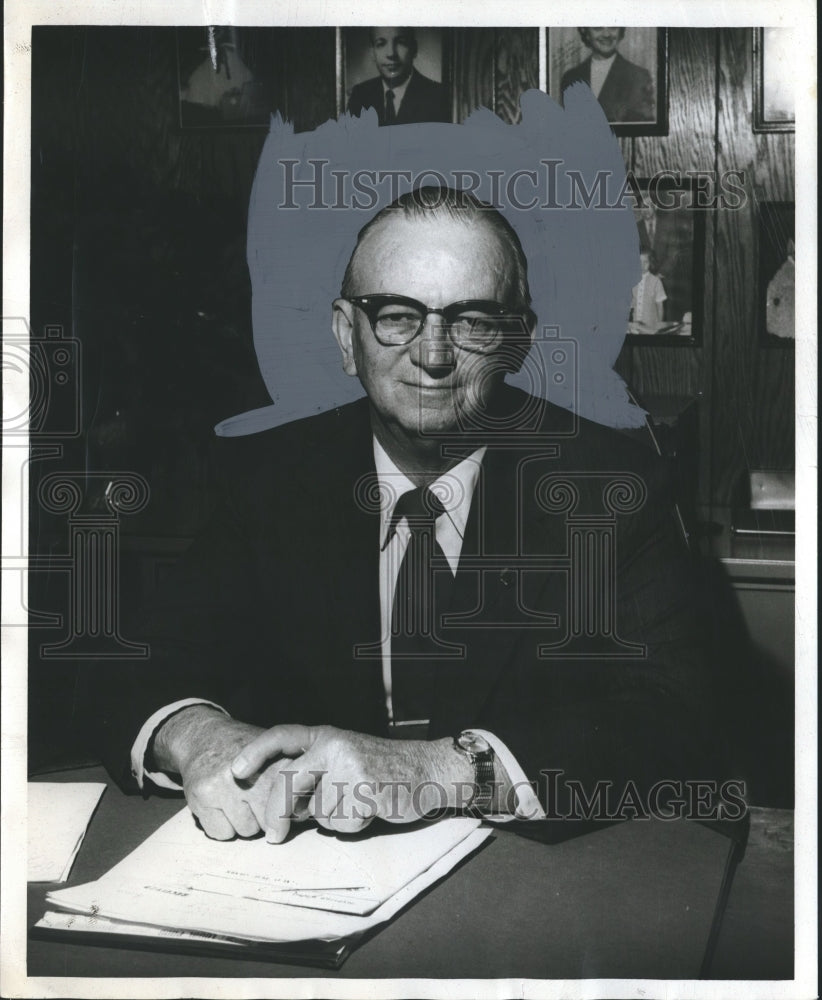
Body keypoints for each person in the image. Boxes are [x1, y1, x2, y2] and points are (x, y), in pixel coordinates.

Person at [92, 187, 721, 845]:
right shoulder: (269, 479)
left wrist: (440, 769)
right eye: (396, 315)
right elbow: (137, 663)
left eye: (473, 320)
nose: (433, 354)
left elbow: (679, 712)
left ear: (516, 342)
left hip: (527, 885)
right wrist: (201, 739)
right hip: (303, 871)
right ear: (345, 334)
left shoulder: (611, 486)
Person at [347, 27, 450, 126]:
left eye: (401, 42)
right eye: (381, 44)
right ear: (372, 52)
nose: (391, 53)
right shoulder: (360, 95)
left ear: (414, 48)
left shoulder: (439, 97)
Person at [561, 28, 654, 124]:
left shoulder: (638, 76)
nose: (606, 34)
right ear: (586, 32)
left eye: (613, 27)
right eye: (598, 28)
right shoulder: (570, 78)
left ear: (620, 31)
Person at [630, 251, 667, 330]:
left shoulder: (656, 281)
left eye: (645, 262)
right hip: (635, 324)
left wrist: (659, 325)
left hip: (650, 325)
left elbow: (660, 307)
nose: (642, 265)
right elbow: (631, 303)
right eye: (639, 262)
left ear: (650, 263)